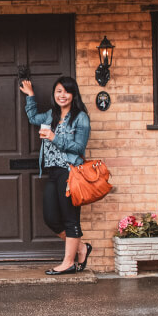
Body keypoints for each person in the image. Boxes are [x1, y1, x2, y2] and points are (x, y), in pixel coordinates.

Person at [19, 76, 92, 275]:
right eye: (59, 91)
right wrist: (31, 96)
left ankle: (68, 263)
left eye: (66, 91)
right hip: (53, 172)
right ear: (54, 93)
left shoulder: (80, 118)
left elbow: (79, 147)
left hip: (70, 172)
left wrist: (54, 137)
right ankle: (81, 247)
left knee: (70, 218)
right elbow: (33, 118)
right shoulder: (51, 115)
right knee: (51, 218)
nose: (62, 95)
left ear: (73, 94)